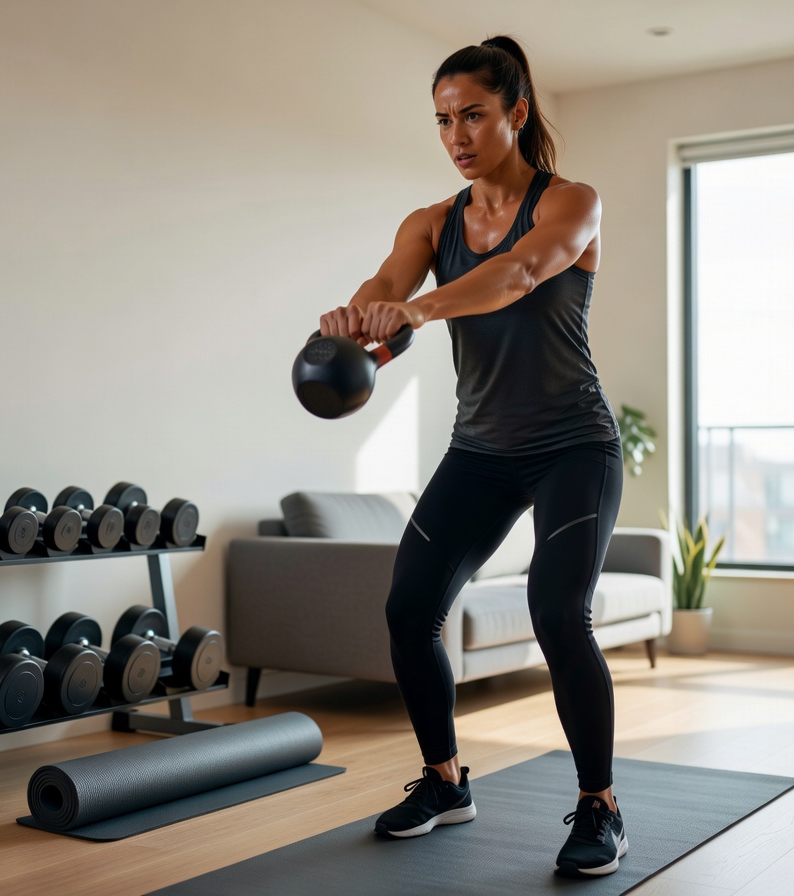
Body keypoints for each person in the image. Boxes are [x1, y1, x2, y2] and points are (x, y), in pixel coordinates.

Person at [318, 36, 627, 877]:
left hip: (574, 445)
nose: (456, 134)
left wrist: (416, 313)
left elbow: (521, 273)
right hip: (482, 450)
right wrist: (357, 321)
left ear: (516, 114)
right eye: (444, 119)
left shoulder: (571, 203)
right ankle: (445, 781)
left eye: (474, 115)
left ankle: (600, 805)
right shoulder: (430, 224)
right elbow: (385, 286)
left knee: (560, 611)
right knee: (407, 611)